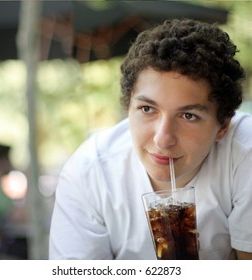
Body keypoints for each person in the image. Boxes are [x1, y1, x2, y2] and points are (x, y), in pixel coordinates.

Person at [49, 19, 252, 260]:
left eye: (188, 115)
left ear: (223, 127)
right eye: (147, 109)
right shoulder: (89, 173)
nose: (163, 139)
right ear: (129, 107)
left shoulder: (244, 153)